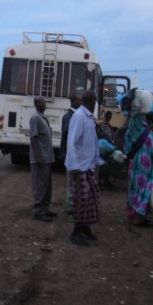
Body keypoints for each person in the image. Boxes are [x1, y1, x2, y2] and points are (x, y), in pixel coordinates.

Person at [65, 90, 103, 246]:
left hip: (88, 164)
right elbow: (72, 142)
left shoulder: (88, 117)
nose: (95, 104)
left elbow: (91, 140)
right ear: (91, 102)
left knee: (90, 199)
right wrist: (74, 165)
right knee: (81, 200)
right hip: (79, 166)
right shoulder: (79, 117)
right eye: (94, 101)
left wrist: (96, 160)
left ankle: (85, 228)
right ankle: (76, 232)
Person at [124, 113, 153, 226]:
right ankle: (140, 217)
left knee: (133, 190)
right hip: (145, 169)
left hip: (132, 167)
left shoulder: (128, 133)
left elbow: (126, 151)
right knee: (143, 191)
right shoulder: (148, 135)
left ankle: (132, 215)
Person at [29, 95, 56, 222]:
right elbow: (33, 139)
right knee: (40, 186)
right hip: (40, 159)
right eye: (42, 103)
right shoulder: (35, 118)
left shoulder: (43, 118)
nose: (44, 104)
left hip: (47, 158)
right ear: (36, 104)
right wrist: (39, 158)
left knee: (47, 185)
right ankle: (38, 211)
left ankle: (45, 208)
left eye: (45, 102)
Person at [60, 93, 82, 215]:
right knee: (70, 182)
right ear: (73, 102)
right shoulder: (69, 116)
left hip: (73, 154)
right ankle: (70, 206)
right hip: (70, 154)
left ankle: (73, 204)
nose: (81, 103)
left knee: (74, 181)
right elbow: (67, 132)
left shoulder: (74, 115)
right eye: (79, 100)